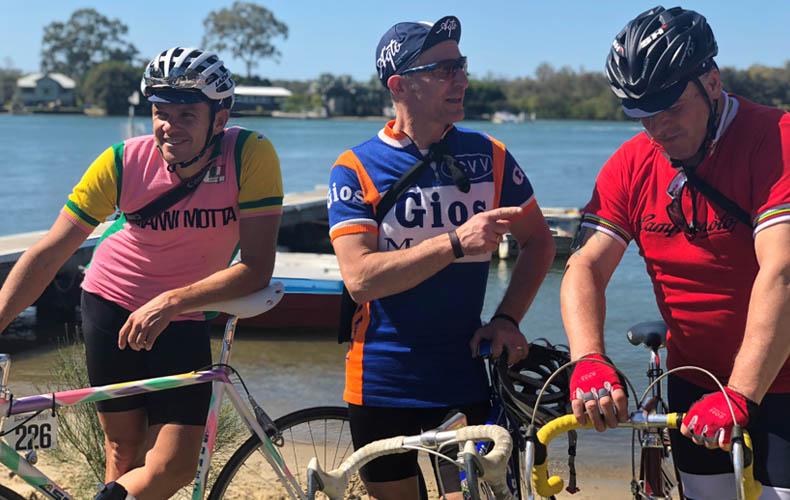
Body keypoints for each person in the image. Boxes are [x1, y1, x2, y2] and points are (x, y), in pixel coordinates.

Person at [0, 46, 283, 499]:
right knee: (123, 450)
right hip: (111, 304)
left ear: (220, 117)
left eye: (187, 114)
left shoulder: (250, 156)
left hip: (183, 313)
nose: (169, 127)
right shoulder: (121, 161)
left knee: (173, 466)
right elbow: (50, 253)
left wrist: (171, 301)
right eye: (160, 112)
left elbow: (256, 268)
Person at [561, 6, 790, 499]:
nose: (658, 128)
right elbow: (584, 265)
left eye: (671, 108)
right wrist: (589, 360)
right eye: (642, 113)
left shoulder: (775, 140)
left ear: (711, 81)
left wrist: (742, 393)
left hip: (782, 380)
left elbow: (783, 271)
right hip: (696, 379)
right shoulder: (632, 163)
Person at [328, 15, 555, 500]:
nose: (463, 80)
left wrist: (508, 318)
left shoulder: (489, 156)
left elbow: (540, 242)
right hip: (380, 381)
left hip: (463, 374)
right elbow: (361, 280)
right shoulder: (354, 167)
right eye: (445, 69)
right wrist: (456, 242)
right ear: (400, 85)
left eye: (462, 66)